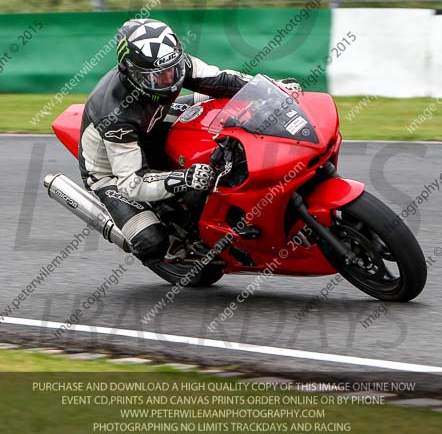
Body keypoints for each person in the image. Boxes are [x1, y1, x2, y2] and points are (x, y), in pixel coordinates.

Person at [79, 18, 299, 266]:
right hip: (113, 173)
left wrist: (272, 89)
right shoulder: (114, 114)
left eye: (171, 71)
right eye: (156, 77)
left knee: (224, 110)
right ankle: (131, 225)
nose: (168, 80)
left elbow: (221, 80)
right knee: (151, 243)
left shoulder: (172, 63)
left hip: (154, 123)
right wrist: (184, 178)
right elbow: (132, 182)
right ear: (130, 72)